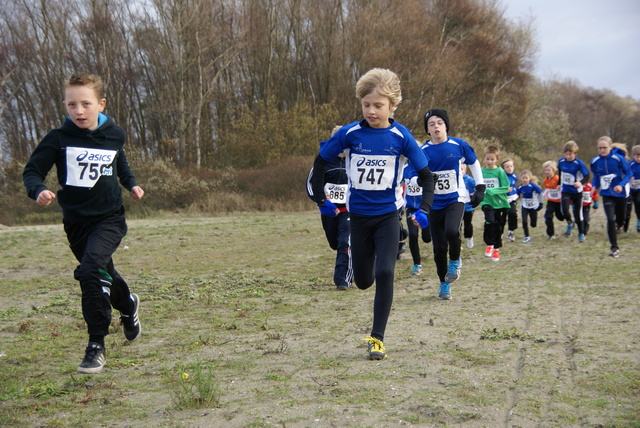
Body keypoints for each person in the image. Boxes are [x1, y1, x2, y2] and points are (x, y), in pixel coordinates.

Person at [22, 72, 144, 374]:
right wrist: (38, 190)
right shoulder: (58, 139)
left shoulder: (115, 134)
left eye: (85, 104)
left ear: (100, 104)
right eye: (71, 104)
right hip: (76, 223)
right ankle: (128, 305)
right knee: (102, 272)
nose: (78, 111)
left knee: (91, 271)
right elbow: (31, 172)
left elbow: (120, 161)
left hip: (109, 218)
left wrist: (131, 183)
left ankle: (95, 345)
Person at [311, 68, 435, 360]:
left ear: (392, 105)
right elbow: (319, 162)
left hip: (388, 216)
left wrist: (425, 209)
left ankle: (377, 338)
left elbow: (427, 176)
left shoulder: (401, 136)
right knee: (364, 280)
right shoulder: (350, 134)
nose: (371, 110)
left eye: (378, 105)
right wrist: (321, 200)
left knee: (385, 272)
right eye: (366, 104)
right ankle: (364, 269)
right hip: (359, 218)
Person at [421, 108, 485, 300]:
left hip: (455, 198)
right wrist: (424, 179)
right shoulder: (423, 151)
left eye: (440, 122)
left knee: (451, 231)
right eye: (431, 124)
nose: (436, 127)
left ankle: (455, 260)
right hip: (434, 202)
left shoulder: (458, 145)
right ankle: (444, 284)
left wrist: (480, 187)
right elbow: (415, 175)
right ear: (428, 130)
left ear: (446, 126)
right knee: (439, 247)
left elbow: (474, 164)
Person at [306, 126, 353, 290]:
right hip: (329, 211)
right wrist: (321, 201)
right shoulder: (324, 162)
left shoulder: (354, 161)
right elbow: (311, 185)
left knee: (344, 242)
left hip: (348, 211)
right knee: (334, 243)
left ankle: (342, 279)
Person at [590, 136, 632, 258]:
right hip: (607, 194)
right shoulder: (595, 161)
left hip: (621, 193)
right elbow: (597, 175)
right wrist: (594, 186)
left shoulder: (618, 159)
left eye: (604, 148)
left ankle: (620, 225)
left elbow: (628, 173)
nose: (602, 150)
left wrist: (621, 185)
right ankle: (614, 247)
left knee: (620, 218)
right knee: (610, 219)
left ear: (610, 147)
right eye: (600, 148)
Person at [402, 157, 431, 275]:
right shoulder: (404, 169)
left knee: (427, 238)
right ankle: (417, 264)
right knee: (413, 235)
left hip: (425, 207)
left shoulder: (425, 168)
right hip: (411, 208)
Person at [480, 146, 510, 261]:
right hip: (487, 202)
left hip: (500, 203)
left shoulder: (500, 172)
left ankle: (496, 249)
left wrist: (493, 191)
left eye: (492, 159)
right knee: (490, 221)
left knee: (498, 226)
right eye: (487, 159)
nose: (489, 162)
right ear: (484, 158)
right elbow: (478, 185)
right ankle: (489, 244)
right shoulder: (481, 171)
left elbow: (506, 188)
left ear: (497, 159)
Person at [558, 140, 590, 242]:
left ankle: (581, 234)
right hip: (566, 190)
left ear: (575, 153)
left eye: (570, 154)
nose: (568, 156)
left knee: (578, 214)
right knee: (564, 210)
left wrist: (580, 183)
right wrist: (559, 183)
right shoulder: (561, 162)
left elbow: (587, 176)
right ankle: (570, 223)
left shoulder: (579, 163)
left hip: (577, 192)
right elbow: (560, 172)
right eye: (566, 154)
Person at [516, 170, 542, 243]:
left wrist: (541, 203)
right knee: (524, 221)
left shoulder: (533, 186)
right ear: (521, 178)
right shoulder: (520, 187)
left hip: (533, 206)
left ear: (529, 178)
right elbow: (517, 195)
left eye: (526, 178)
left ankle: (533, 224)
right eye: (523, 178)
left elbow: (541, 193)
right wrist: (514, 201)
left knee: (533, 224)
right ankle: (527, 236)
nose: (524, 179)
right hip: (524, 206)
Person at [542, 160, 564, 239]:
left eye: (549, 170)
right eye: (545, 170)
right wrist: (542, 197)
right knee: (548, 216)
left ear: (554, 170)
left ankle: (570, 221)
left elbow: (563, 188)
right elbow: (548, 190)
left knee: (560, 217)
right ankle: (551, 234)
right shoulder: (545, 180)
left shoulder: (558, 179)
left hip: (559, 201)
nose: (547, 172)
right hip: (551, 201)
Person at [502, 159, 519, 242]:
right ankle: (500, 233)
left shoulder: (515, 176)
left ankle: (510, 232)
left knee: (512, 213)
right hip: (503, 199)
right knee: (502, 217)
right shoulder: (501, 176)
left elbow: (514, 186)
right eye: (507, 167)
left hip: (512, 198)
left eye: (511, 166)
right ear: (503, 168)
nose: (509, 168)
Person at [461, 164, 477, 249]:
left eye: (462, 169)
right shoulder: (454, 180)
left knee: (467, 224)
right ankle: (457, 242)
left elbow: (477, 189)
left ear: (465, 171)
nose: (460, 171)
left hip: (468, 207)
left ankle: (469, 238)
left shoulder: (470, 180)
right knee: (457, 226)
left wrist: (473, 195)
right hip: (457, 207)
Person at [629, 145, 640, 233]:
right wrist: (630, 176)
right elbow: (627, 172)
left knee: (639, 202)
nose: (639, 159)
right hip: (632, 189)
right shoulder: (630, 164)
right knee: (635, 205)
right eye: (637, 157)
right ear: (633, 156)